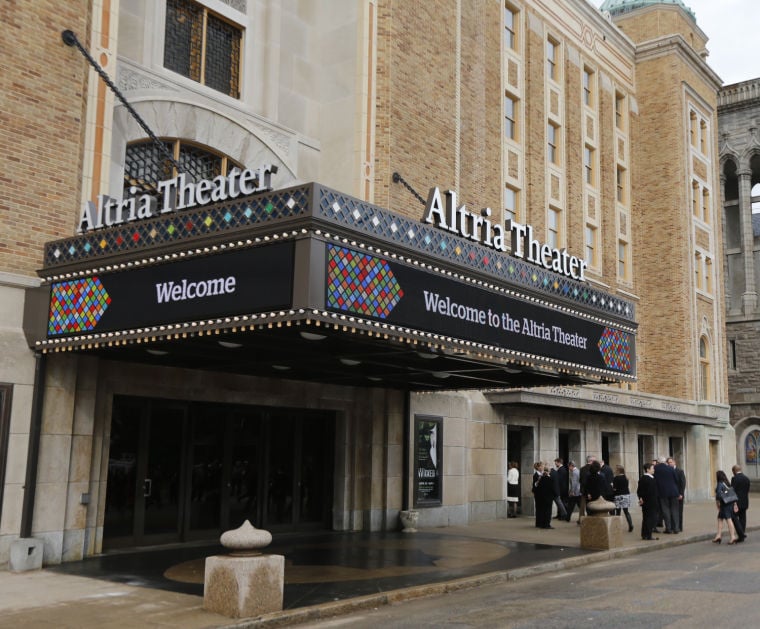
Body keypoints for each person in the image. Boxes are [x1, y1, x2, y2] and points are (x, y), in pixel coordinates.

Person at [653, 456, 680, 533]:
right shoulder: (671, 468)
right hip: (673, 492)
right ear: (665, 462)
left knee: (666, 510)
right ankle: (676, 528)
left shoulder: (655, 468)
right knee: (675, 510)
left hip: (662, 492)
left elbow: (654, 481)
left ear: (658, 462)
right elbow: (676, 479)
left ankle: (668, 528)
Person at [712, 469, 739, 544]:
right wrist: (735, 504)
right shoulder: (727, 483)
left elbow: (718, 495)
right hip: (730, 503)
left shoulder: (720, 484)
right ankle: (718, 535)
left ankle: (732, 537)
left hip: (724, 505)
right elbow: (732, 493)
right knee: (720, 518)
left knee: (728, 519)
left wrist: (717, 504)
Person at [637, 462, 659, 540]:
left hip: (646, 502)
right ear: (648, 469)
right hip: (650, 502)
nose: (654, 470)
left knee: (646, 518)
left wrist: (640, 498)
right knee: (650, 519)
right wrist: (641, 498)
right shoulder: (648, 478)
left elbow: (639, 491)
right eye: (652, 468)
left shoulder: (643, 478)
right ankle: (648, 535)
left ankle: (644, 534)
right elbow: (646, 491)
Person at [532, 462, 555, 529]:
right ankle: (538, 523)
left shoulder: (542, 474)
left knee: (541, 509)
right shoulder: (536, 475)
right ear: (538, 467)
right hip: (538, 494)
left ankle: (540, 522)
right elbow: (535, 485)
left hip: (542, 494)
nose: (543, 467)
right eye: (541, 466)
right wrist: (539, 480)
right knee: (539, 508)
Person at [731, 464, 750, 541]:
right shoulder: (746, 478)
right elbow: (747, 490)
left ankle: (741, 534)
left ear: (734, 471)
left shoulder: (735, 479)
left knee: (734, 517)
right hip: (745, 501)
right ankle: (742, 534)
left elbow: (732, 491)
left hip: (736, 502)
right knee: (743, 518)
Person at [613, 464, 634, 532]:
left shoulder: (616, 478)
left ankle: (617, 527)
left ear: (618, 470)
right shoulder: (626, 477)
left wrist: (612, 487)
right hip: (626, 495)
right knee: (626, 512)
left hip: (618, 495)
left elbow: (615, 488)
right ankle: (630, 525)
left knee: (618, 512)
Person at [668, 457, 686, 533]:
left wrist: (681, 494)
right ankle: (673, 526)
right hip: (671, 495)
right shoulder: (668, 471)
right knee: (671, 511)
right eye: (668, 463)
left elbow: (683, 483)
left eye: (671, 462)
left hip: (679, 495)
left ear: (674, 462)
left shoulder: (680, 471)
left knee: (679, 511)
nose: (669, 464)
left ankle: (679, 527)